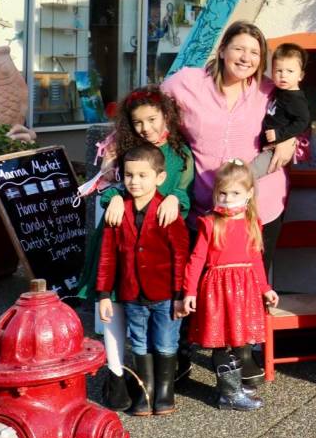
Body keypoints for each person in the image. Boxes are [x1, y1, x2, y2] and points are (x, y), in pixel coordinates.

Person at [76, 85, 194, 410]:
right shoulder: (124, 147)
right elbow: (108, 183)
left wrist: (174, 197)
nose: (146, 128)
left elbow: (185, 191)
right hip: (120, 234)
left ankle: (154, 384)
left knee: (154, 323)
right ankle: (116, 376)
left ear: (166, 115)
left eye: (152, 119)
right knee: (114, 304)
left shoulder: (180, 153)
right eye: (138, 122)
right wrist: (113, 196)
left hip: (158, 240)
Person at [163, 21, 296, 265]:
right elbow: (146, 108)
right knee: (203, 289)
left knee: (253, 291)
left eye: (255, 52)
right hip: (203, 208)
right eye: (239, 49)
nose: (246, 58)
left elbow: (301, 122)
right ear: (222, 50)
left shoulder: (269, 91)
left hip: (259, 207)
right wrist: (116, 146)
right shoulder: (187, 83)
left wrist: (293, 140)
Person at [95, 144, 189, 417]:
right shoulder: (117, 210)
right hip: (131, 293)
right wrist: (103, 295)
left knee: (165, 342)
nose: (134, 181)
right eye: (128, 175)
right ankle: (145, 390)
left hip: (166, 294)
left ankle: (164, 391)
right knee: (139, 342)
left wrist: (181, 293)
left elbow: (181, 255)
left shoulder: (167, 210)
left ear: (159, 178)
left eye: (142, 175)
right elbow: (107, 256)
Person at [180, 160, 279, 411]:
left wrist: (265, 288)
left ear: (249, 193)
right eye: (222, 192)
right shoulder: (210, 222)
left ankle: (233, 384)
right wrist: (189, 291)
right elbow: (197, 259)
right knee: (222, 340)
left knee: (241, 340)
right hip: (218, 290)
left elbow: (256, 258)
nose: (227, 198)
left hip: (245, 290)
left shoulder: (251, 221)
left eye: (235, 193)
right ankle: (229, 394)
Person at [252, 42, 311, 178]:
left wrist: (279, 135)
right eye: (279, 71)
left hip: (276, 147)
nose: (283, 75)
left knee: (251, 173)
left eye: (290, 71)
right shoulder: (280, 90)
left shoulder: (296, 99)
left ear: (300, 75)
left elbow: (303, 122)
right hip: (267, 144)